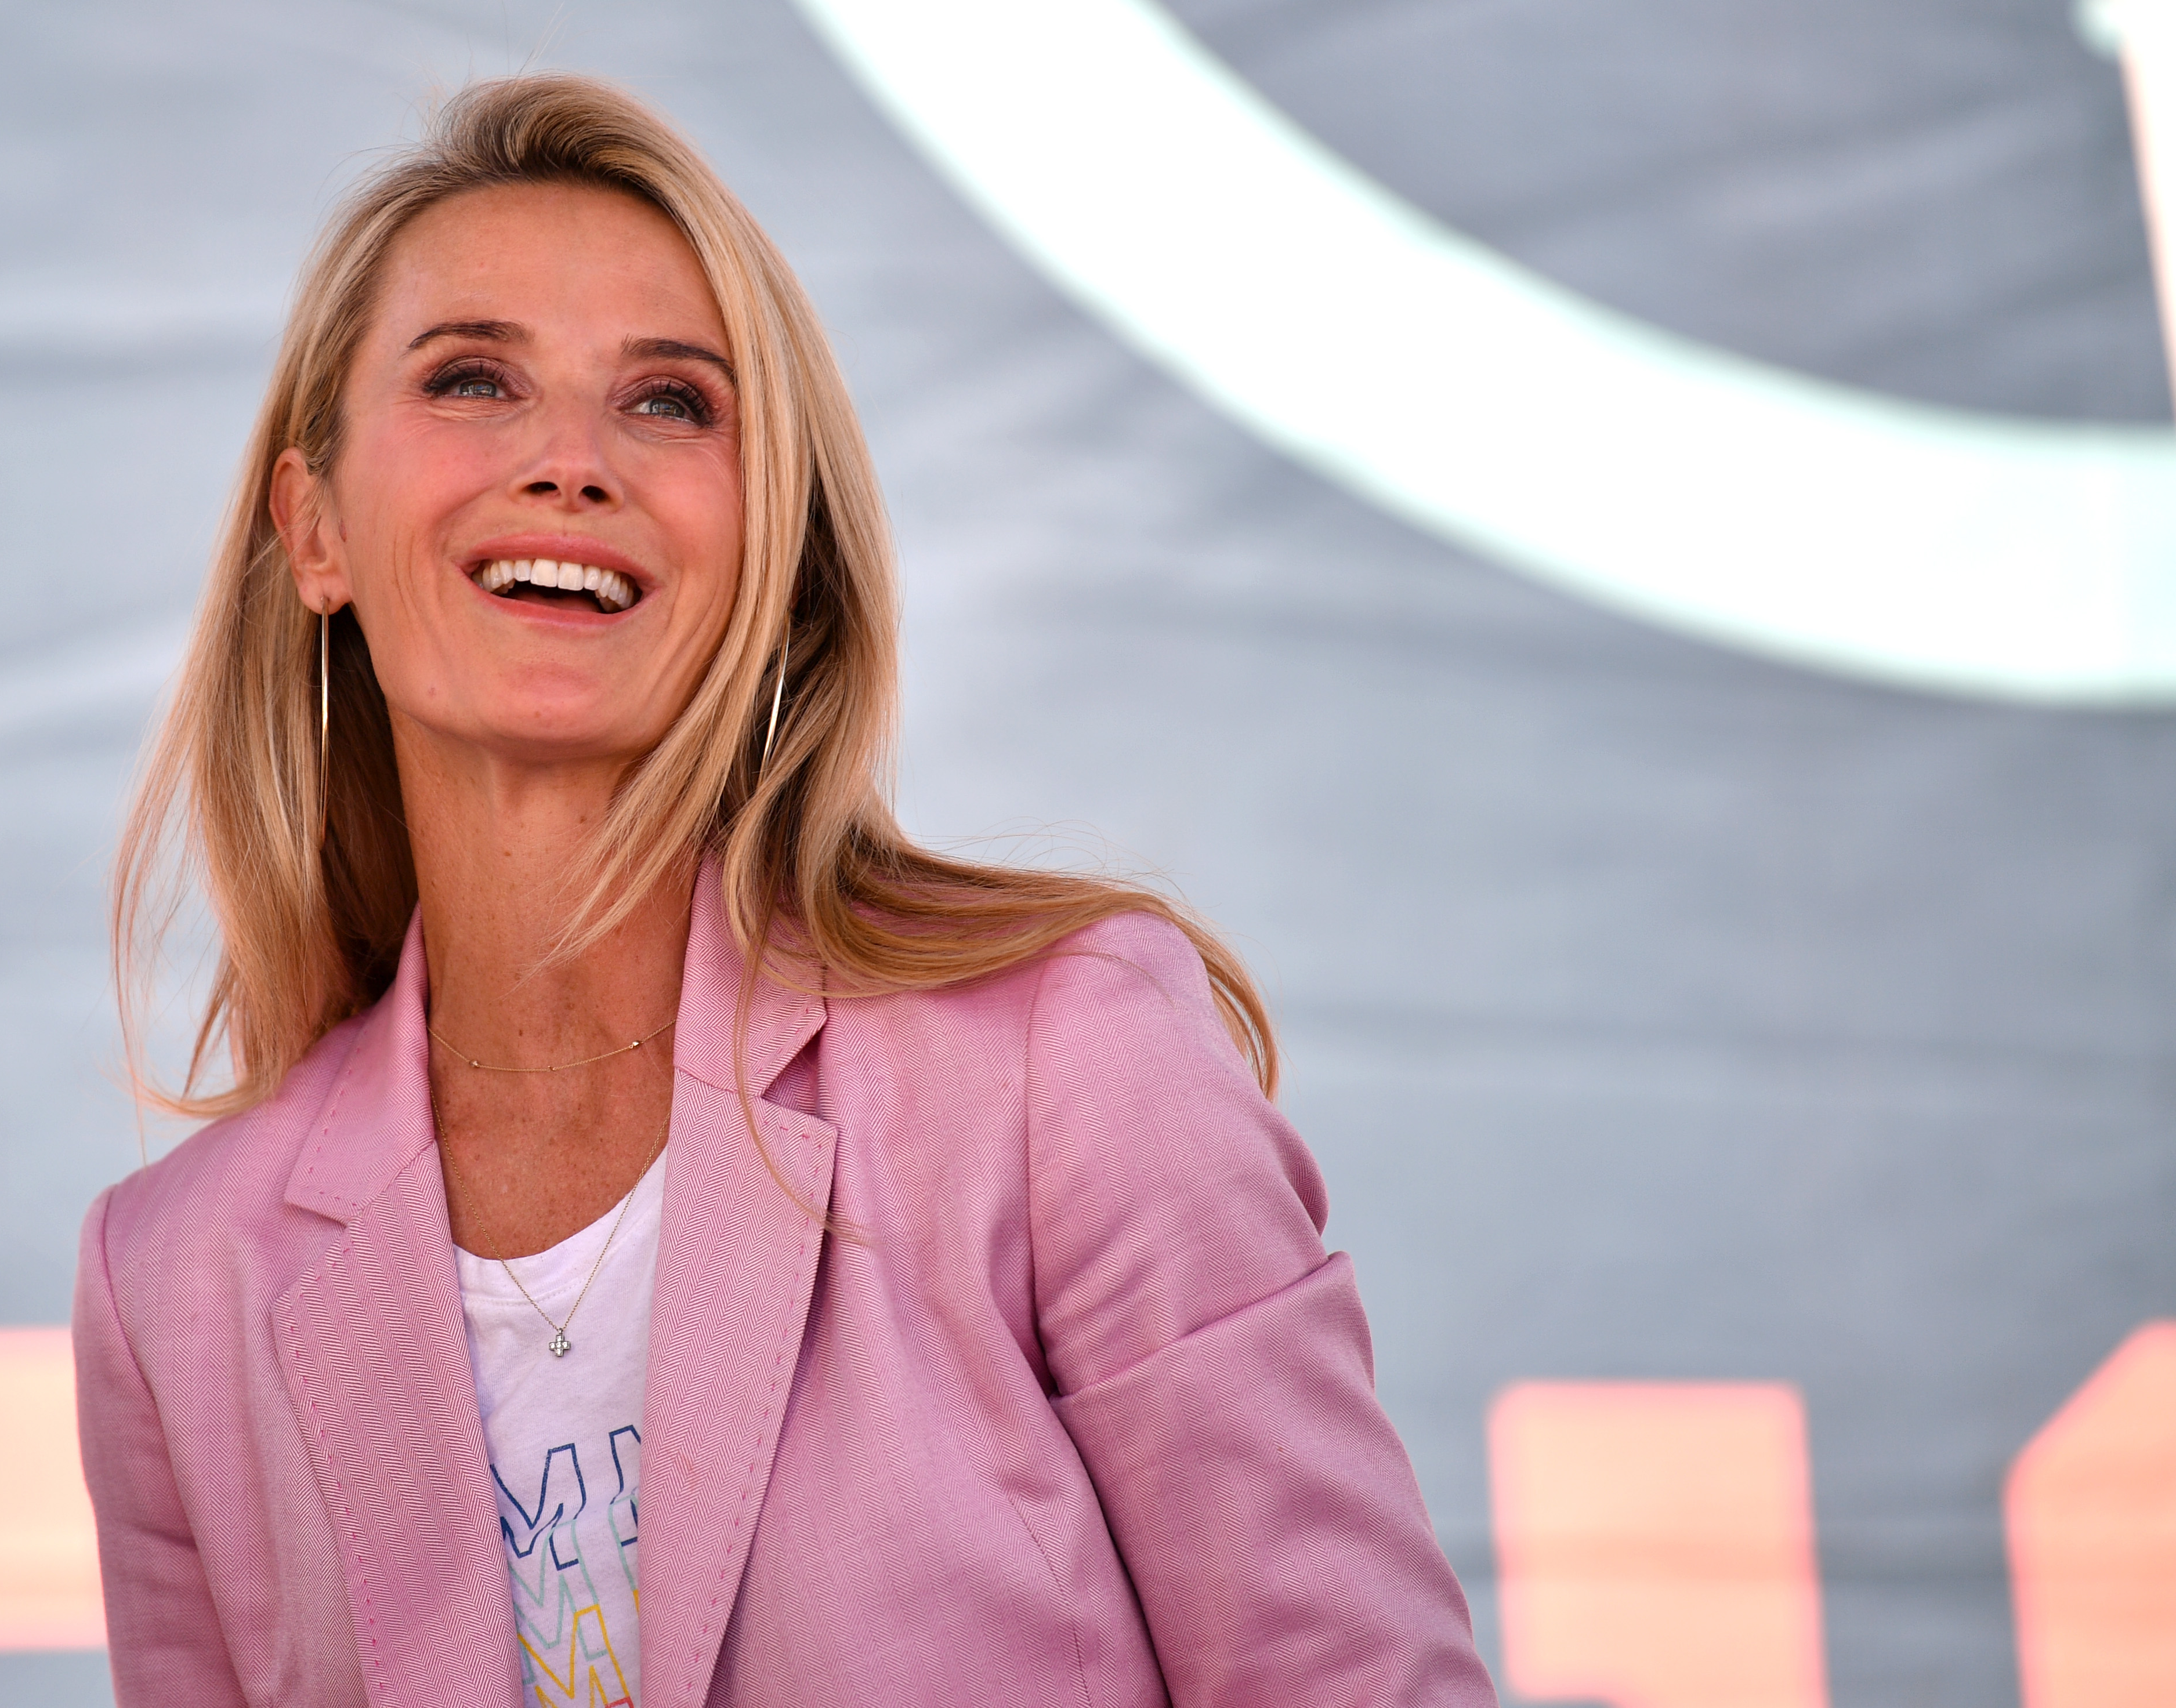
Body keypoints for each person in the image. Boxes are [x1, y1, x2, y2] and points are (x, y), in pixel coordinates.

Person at [74, 73, 1496, 1708]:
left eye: (671, 403)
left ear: (772, 548)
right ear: (311, 526)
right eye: (472, 378)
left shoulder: (1063, 1064)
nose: (567, 461)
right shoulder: (172, 1282)